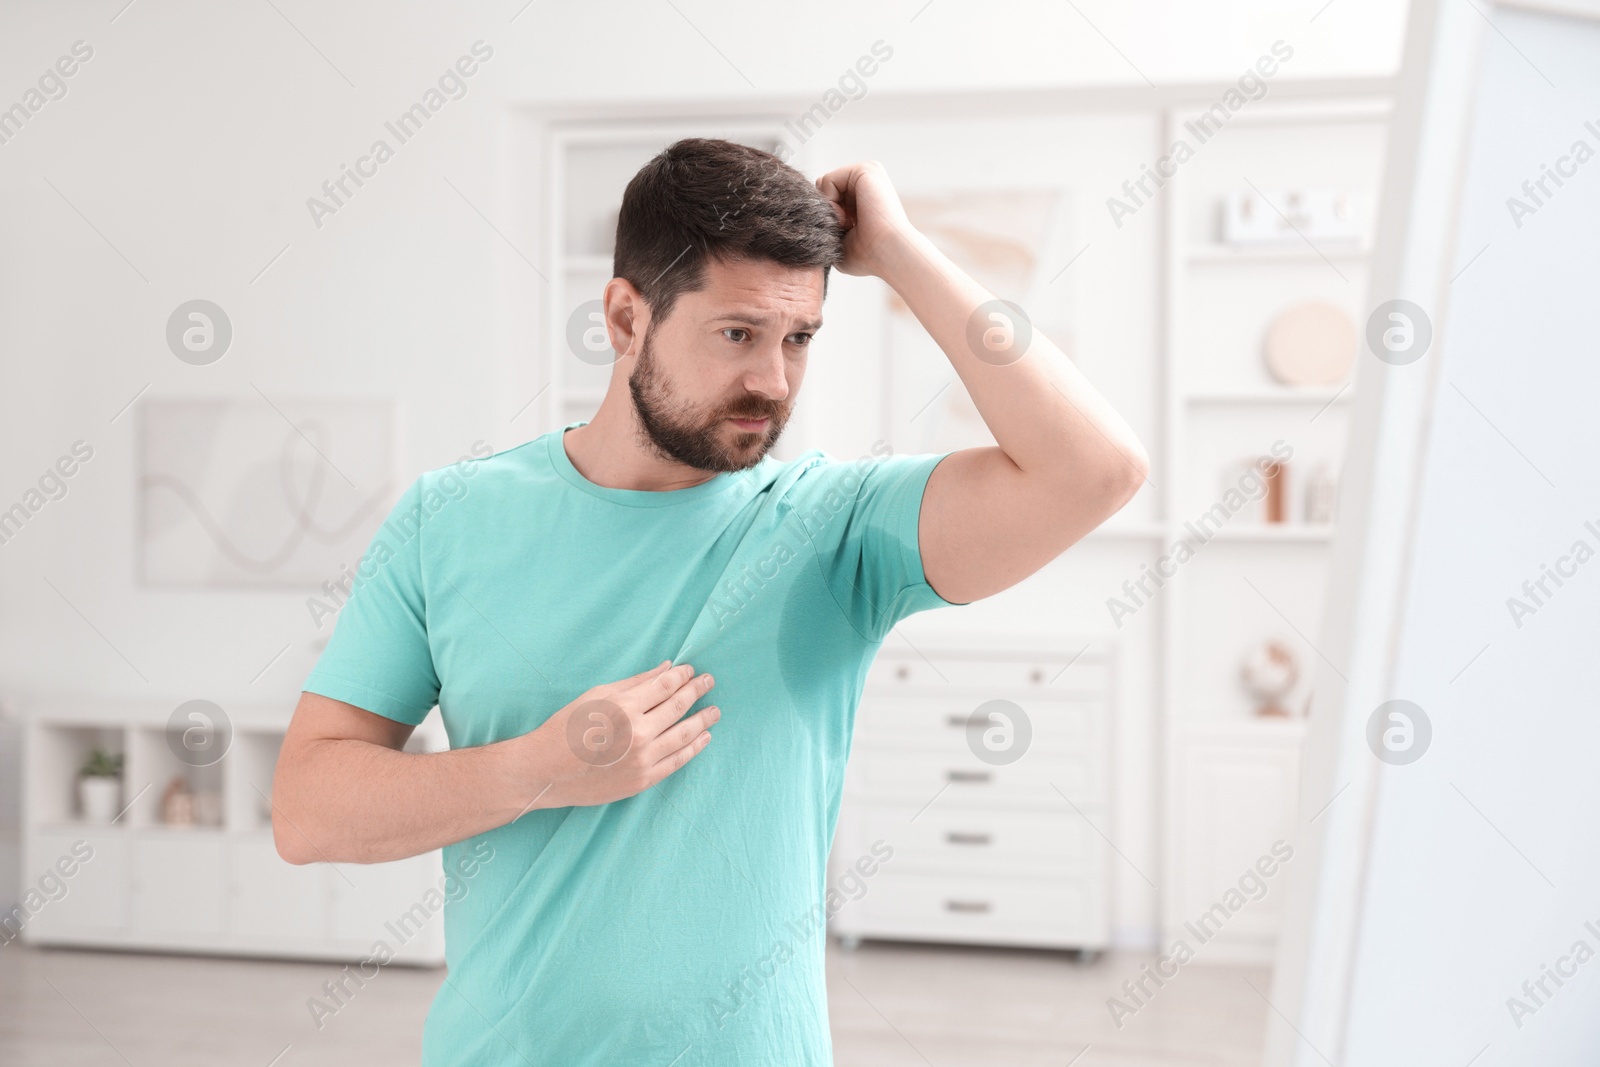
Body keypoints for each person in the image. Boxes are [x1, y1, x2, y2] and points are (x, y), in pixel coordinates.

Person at [272, 137, 1148, 1065]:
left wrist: (898, 252)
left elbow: (1096, 468)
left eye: (799, 338)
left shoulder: (834, 529)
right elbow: (308, 808)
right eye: (738, 333)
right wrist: (538, 767)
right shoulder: (447, 518)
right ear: (624, 318)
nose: (772, 381)